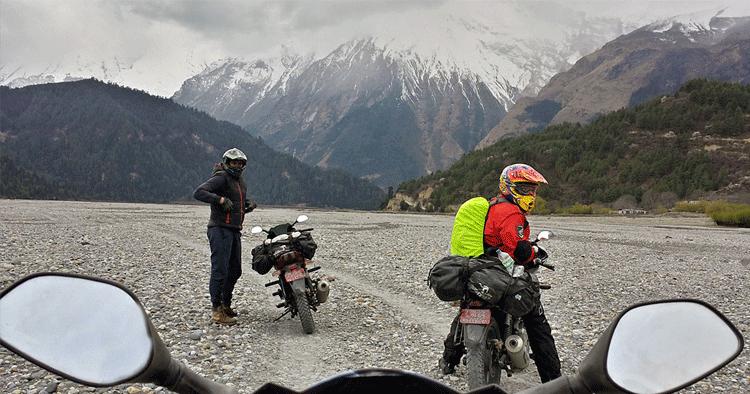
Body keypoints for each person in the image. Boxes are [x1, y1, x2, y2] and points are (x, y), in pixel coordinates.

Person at [439, 163, 562, 383]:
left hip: (479, 267)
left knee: (467, 308)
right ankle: (555, 381)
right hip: (500, 273)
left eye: (533, 189)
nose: (530, 194)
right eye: (524, 189)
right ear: (508, 187)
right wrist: (533, 255)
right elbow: (519, 249)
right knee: (536, 322)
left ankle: (448, 361)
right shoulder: (511, 213)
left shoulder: (492, 206)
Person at [194, 148, 257, 325]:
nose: (237, 166)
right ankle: (217, 311)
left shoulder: (240, 181)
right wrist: (220, 200)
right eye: (234, 162)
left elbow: (236, 202)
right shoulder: (221, 177)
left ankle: (226, 304)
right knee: (220, 270)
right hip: (219, 229)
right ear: (227, 162)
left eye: (240, 163)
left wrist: (247, 204)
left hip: (234, 229)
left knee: (235, 270)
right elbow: (199, 192)